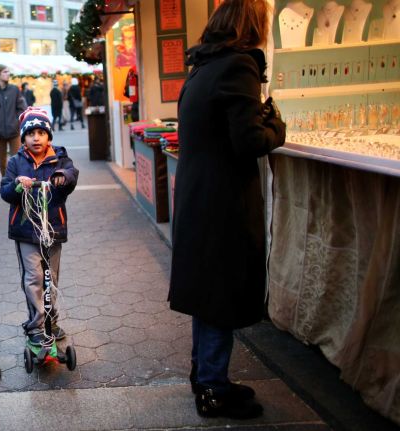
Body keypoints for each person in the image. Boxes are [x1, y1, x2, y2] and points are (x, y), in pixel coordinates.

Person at [167, 0, 286, 420]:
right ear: (254, 24)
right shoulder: (239, 65)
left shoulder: (203, 66)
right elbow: (249, 141)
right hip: (222, 205)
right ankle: (214, 390)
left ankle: (207, 377)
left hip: (200, 200)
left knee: (207, 294)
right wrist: (276, 125)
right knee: (219, 294)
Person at [0, 107, 78, 347]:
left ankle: (51, 322)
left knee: (50, 277)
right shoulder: (15, 162)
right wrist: (16, 185)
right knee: (33, 277)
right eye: (30, 133)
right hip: (25, 232)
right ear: (23, 137)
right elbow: (4, 191)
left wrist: (63, 176)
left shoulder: (60, 158)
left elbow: (72, 175)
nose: (36, 137)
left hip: (52, 229)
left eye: (41, 132)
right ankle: (36, 324)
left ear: (49, 136)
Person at [0, 64, 27, 176]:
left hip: (14, 132)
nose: (8, 74)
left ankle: (18, 184)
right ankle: (6, 183)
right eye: (5, 72)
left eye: (8, 71)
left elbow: (21, 108)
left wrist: (16, 123)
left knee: (17, 160)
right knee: (2, 163)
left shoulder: (14, 89)